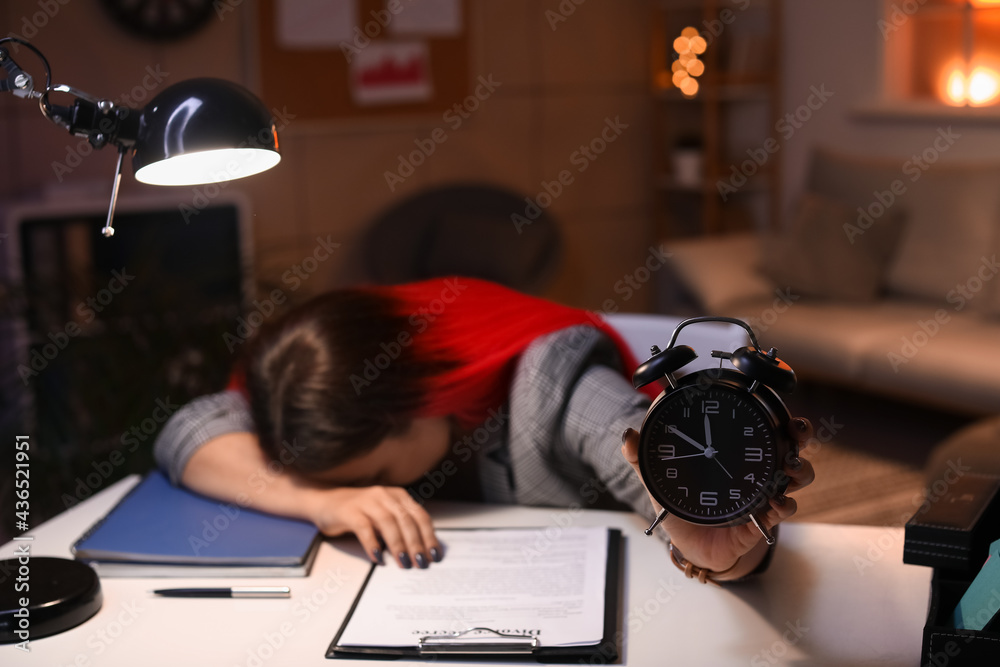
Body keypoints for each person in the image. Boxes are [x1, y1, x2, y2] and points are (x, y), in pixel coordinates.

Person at [154, 277, 814, 581]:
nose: (374, 496)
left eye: (377, 475)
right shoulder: (300, 390)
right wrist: (323, 501)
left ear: (416, 398)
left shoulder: (553, 380)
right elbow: (188, 429)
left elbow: (634, 445)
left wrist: (721, 550)